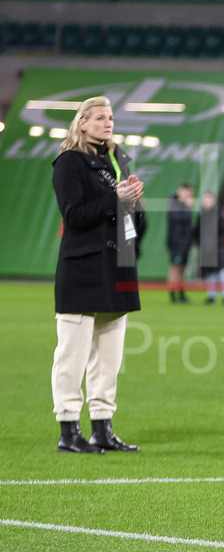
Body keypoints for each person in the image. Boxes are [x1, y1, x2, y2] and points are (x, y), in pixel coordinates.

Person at [51, 96, 146, 454]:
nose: (108, 123)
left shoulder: (115, 163)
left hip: (116, 268)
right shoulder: (68, 163)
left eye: (111, 117)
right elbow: (73, 216)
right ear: (82, 123)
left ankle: (102, 428)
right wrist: (115, 198)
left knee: (109, 358)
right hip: (83, 268)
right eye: (101, 118)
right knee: (72, 354)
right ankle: (68, 429)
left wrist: (134, 203)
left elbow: (133, 225)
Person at [196, 192, 224, 305]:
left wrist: (216, 244)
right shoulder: (202, 215)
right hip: (206, 249)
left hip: (217, 248)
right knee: (210, 272)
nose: (205, 202)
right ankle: (211, 295)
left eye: (207, 200)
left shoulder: (219, 215)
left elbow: (223, 232)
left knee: (221, 271)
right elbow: (197, 231)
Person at [166, 182, 194, 303]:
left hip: (185, 241)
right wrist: (186, 206)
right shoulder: (174, 202)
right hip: (176, 241)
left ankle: (181, 293)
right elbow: (177, 218)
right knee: (175, 267)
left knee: (182, 268)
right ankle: (173, 294)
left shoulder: (183, 204)